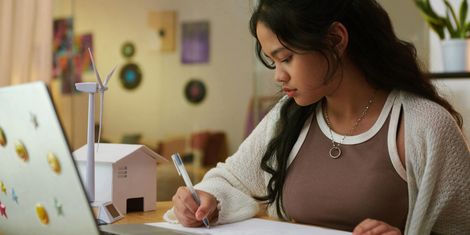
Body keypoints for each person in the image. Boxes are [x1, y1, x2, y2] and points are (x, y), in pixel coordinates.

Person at [164, 0, 470, 234]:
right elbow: (230, 180)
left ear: (336, 39)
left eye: (286, 58)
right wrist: (204, 199)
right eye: (273, 62)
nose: (278, 76)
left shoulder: (424, 126)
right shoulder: (288, 117)